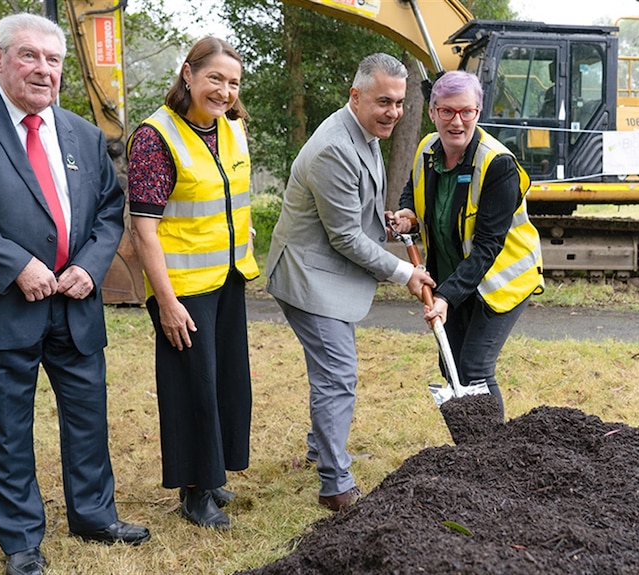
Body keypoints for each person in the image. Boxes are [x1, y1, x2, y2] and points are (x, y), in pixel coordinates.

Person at [0, 12, 150, 575]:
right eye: (29, 56)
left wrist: (93, 267)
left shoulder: (84, 134)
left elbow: (106, 212)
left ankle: (94, 516)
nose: (43, 70)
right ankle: (21, 541)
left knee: (88, 416)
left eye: (53, 60)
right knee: (3, 429)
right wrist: (17, 264)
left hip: (74, 304)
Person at [266, 53, 435, 512]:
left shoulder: (364, 130)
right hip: (307, 276)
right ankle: (335, 485)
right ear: (355, 96)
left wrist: (385, 222)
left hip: (323, 267)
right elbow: (342, 237)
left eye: (399, 103)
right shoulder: (334, 148)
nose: (394, 113)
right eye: (384, 101)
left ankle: (323, 449)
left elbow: (350, 211)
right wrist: (405, 272)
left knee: (331, 373)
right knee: (338, 375)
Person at [126, 36, 258, 530]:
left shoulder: (233, 127)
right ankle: (193, 492)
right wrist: (166, 301)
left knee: (225, 383)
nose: (224, 91)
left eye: (233, 82)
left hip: (228, 277)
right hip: (181, 287)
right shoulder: (154, 136)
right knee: (192, 388)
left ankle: (212, 473)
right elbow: (144, 229)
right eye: (215, 79)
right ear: (188, 74)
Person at [391, 70, 544, 422]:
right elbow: (412, 192)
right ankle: (469, 454)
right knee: (451, 367)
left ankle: (493, 456)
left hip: (500, 281)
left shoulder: (498, 165)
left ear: (478, 112)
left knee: (475, 368)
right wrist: (407, 215)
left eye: (466, 112)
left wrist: (445, 298)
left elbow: (489, 246)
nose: (456, 122)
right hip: (452, 276)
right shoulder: (428, 149)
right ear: (432, 112)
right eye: (446, 111)